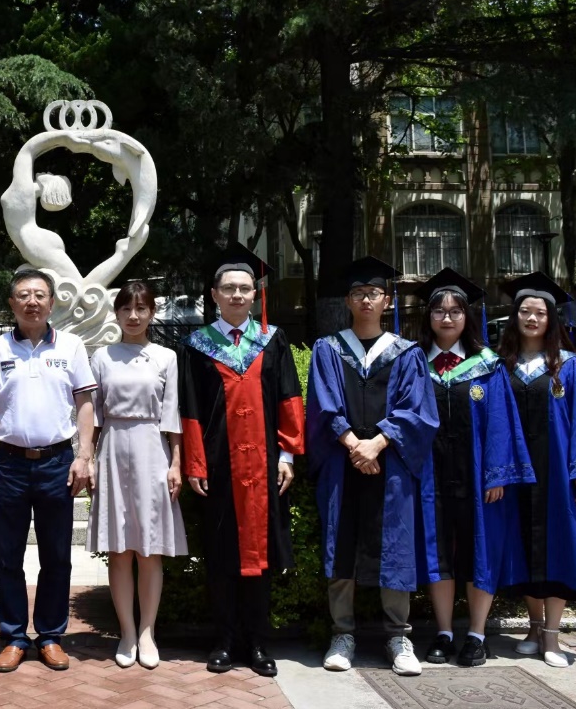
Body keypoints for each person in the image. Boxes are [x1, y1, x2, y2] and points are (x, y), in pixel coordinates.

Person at [306, 256, 439, 677]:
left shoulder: (407, 353)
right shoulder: (328, 349)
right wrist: (354, 445)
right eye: (359, 293)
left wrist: (377, 443)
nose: (366, 299)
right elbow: (324, 406)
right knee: (341, 543)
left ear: (387, 300)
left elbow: (416, 410)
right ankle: (342, 634)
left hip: (390, 466)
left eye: (374, 293)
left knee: (396, 546)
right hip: (343, 464)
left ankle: (399, 635)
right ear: (348, 300)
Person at [178, 245, 303, 676]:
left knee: (261, 556)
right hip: (218, 466)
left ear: (255, 294)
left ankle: (258, 642)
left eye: (244, 288)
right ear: (214, 294)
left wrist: (287, 455)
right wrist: (195, 464)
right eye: (228, 288)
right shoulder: (197, 346)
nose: (236, 295)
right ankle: (225, 640)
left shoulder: (273, 339)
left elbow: (289, 398)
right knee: (221, 554)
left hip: (266, 466)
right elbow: (190, 410)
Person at [0, 268, 96, 673]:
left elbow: (85, 405)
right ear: (12, 303)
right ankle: (13, 637)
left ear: (51, 302)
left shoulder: (72, 346)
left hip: (57, 462)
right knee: (6, 555)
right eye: (23, 295)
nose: (32, 302)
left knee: (56, 555)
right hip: (7, 464)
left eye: (40, 295)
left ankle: (50, 636)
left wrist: (84, 457)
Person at [413, 269, 534, 668]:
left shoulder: (488, 366)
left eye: (455, 311)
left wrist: (497, 475)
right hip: (430, 476)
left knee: (479, 550)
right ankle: (445, 632)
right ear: (429, 316)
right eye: (439, 311)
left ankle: (477, 634)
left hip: (478, 478)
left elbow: (501, 422)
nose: (447, 318)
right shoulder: (415, 362)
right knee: (439, 551)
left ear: (467, 316)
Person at [498, 272, 576, 668]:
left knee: (559, 546)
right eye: (525, 311)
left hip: (557, 474)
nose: (532, 318)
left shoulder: (568, 365)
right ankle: (533, 627)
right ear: (515, 316)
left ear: (551, 319)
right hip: (517, 473)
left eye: (540, 312)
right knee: (523, 546)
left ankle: (552, 634)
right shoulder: (503, 366)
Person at [88, 281, 187, 670]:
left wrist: (176, 462)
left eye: (141, 308)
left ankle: (148, 632)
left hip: (152, 449)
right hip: (112, 447)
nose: (133, 316)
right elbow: (92, 414)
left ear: (152, 312)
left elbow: (172, 413)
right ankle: (126, 632)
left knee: (149, 547)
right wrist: (87, 458)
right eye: (126, 309)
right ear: (116, 313)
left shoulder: (166, 357)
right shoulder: (102, 357)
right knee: (119, 547)